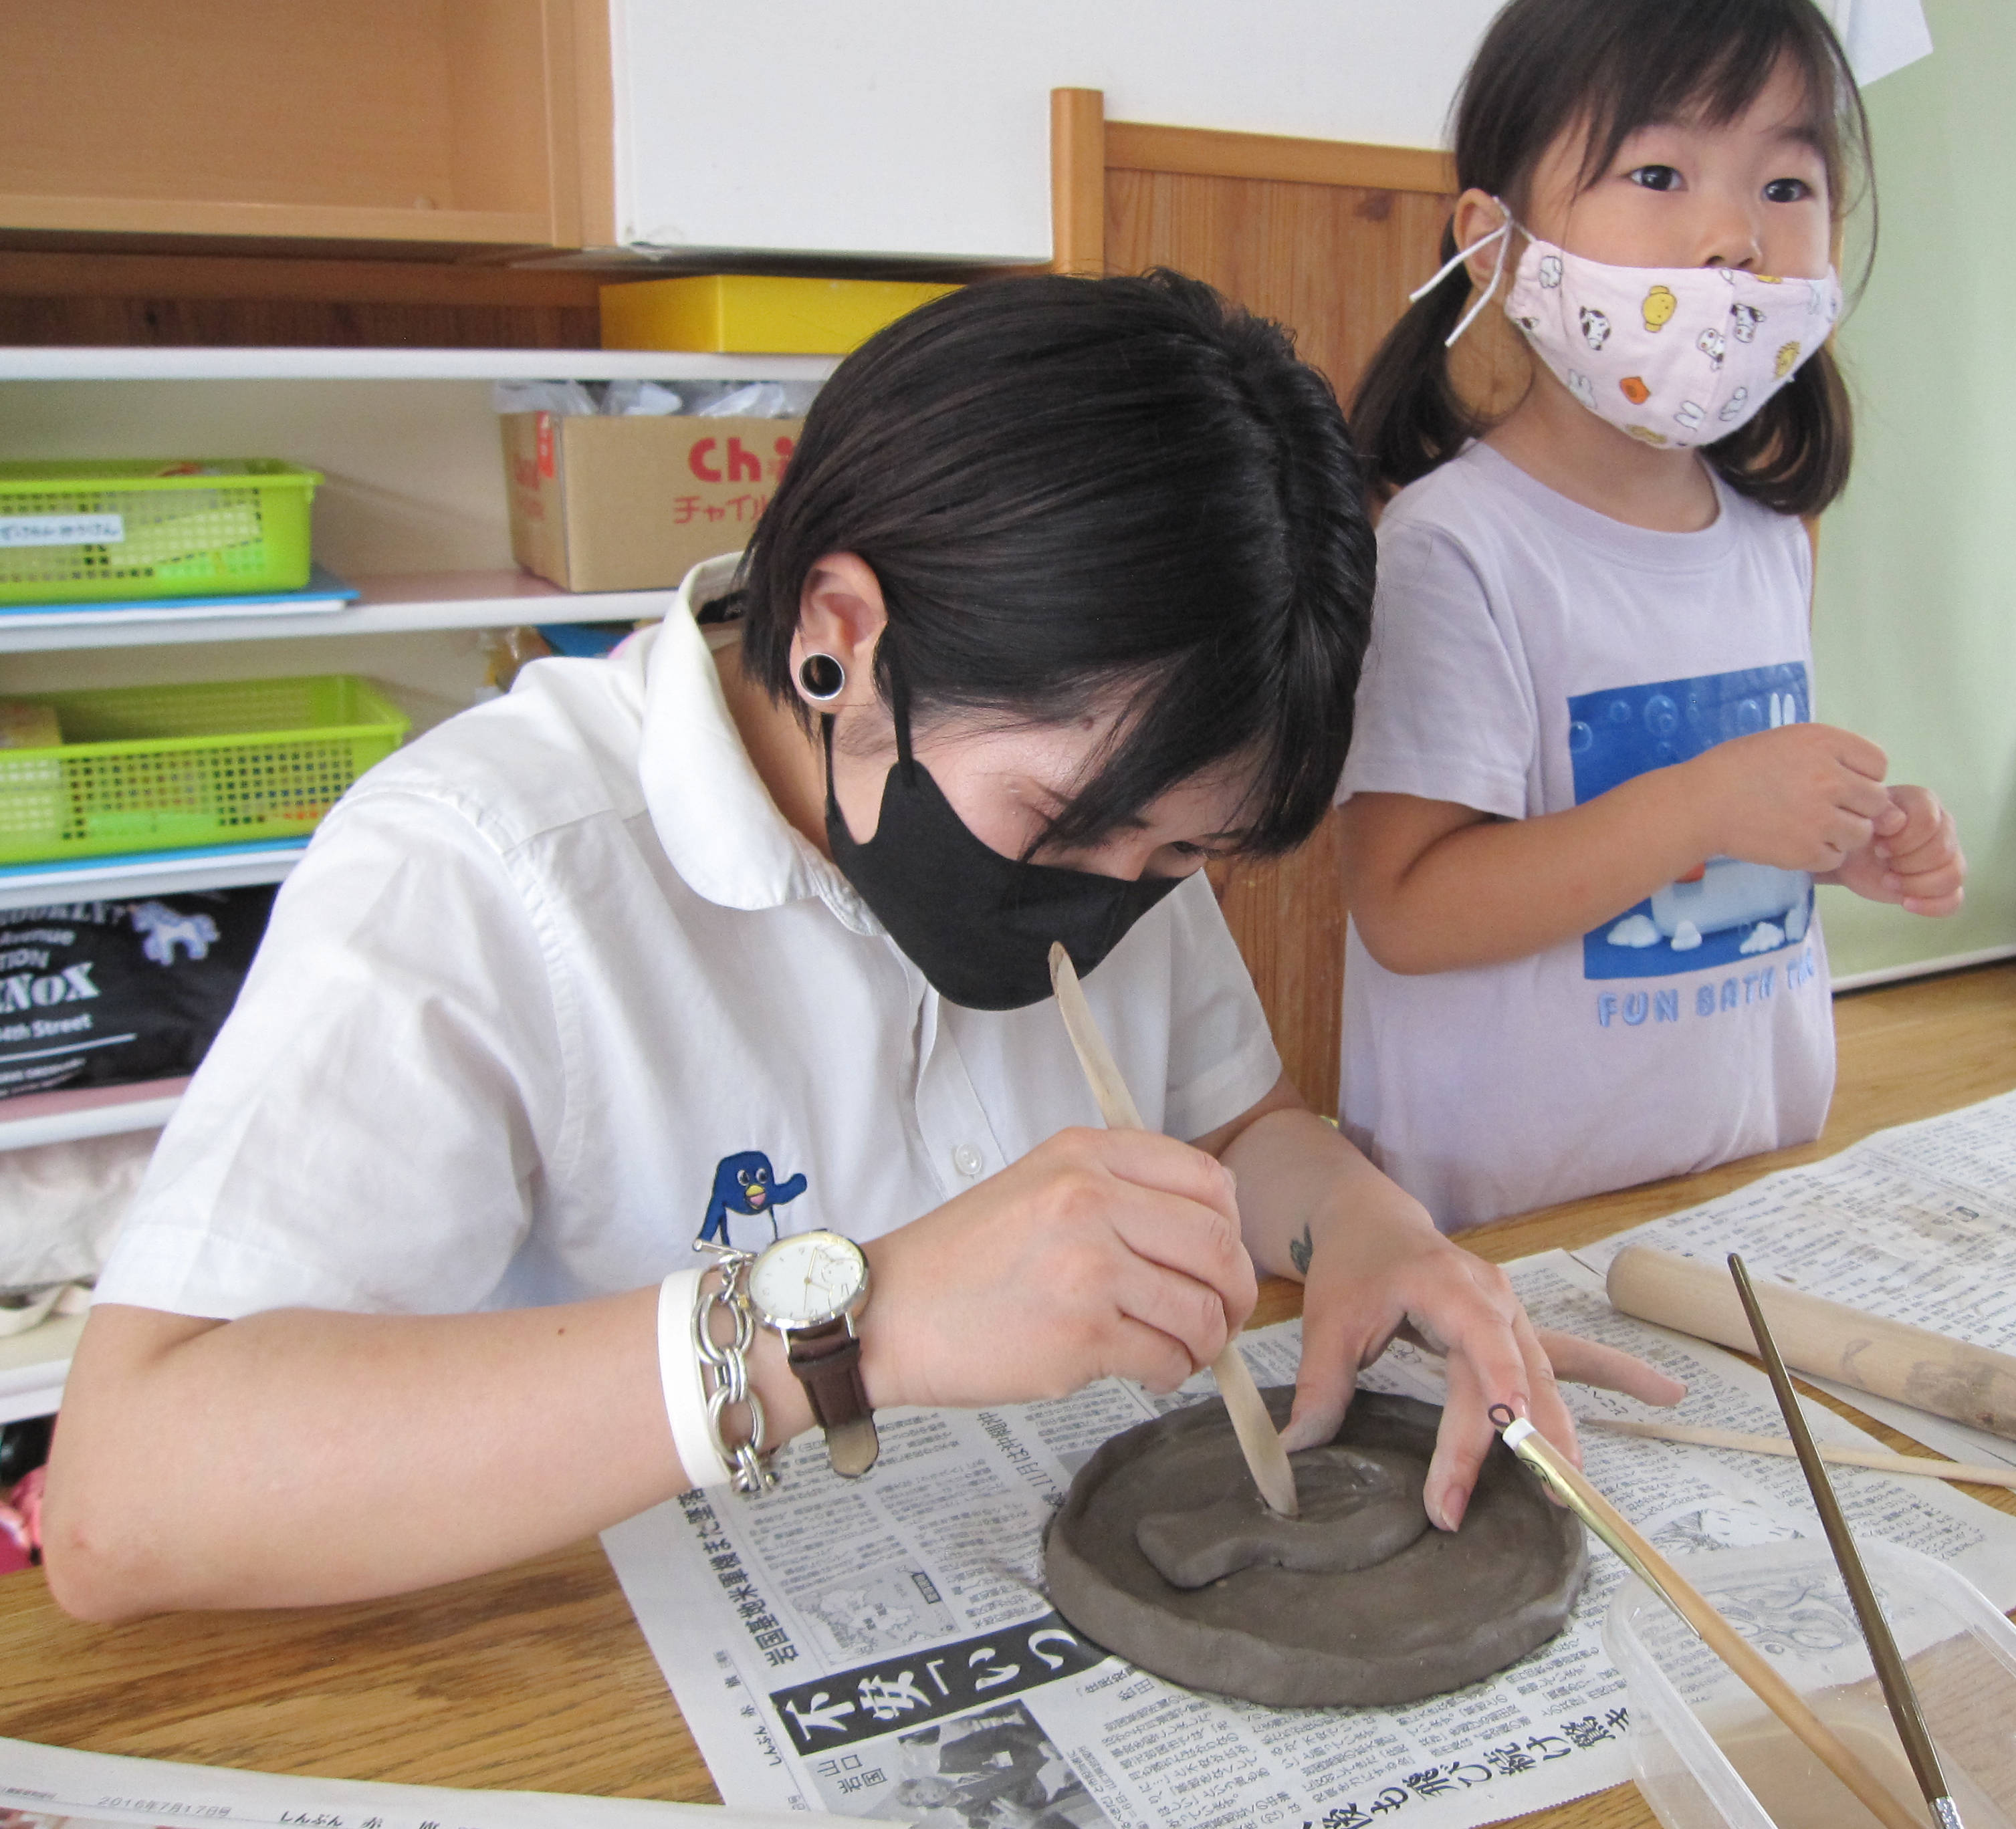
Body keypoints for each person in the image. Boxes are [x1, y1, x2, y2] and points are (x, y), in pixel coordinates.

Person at [42, 272, 1682, 1622]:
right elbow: (129, 1498)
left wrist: (1366, 1228)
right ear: (842, 637)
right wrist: (856, 1325)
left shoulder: (1127, 820)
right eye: (1065, 826)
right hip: (608, 1668)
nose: (1120, 896)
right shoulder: (483, 869)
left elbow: (1237, 1129)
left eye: (1182, 855)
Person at [1337, 0, 1967, 1231]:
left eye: (1787, 185)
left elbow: (1715, 825)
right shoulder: (1452, 551)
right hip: (1507, 1223)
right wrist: (1709, 804)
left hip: (1741, 1178)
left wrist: (1836, 839)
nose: (1736, 238)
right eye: (1661, 173)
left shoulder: (1772, 538)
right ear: (1497, 246)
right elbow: (1407, 908)